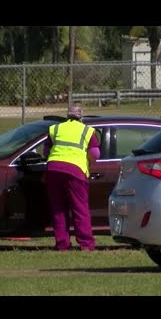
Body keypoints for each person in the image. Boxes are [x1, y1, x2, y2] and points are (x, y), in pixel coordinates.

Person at [43, 105, 100, 251]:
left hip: (53, 170)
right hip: (75, 170)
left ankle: (62, 244)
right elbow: (95, 154)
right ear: (81, 117)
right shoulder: (87, 131)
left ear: (67, 116)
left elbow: (46, 151)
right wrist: (88, 162)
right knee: (80, 208)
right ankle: (86, 244)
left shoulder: (55, 129)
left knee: (58, 208)